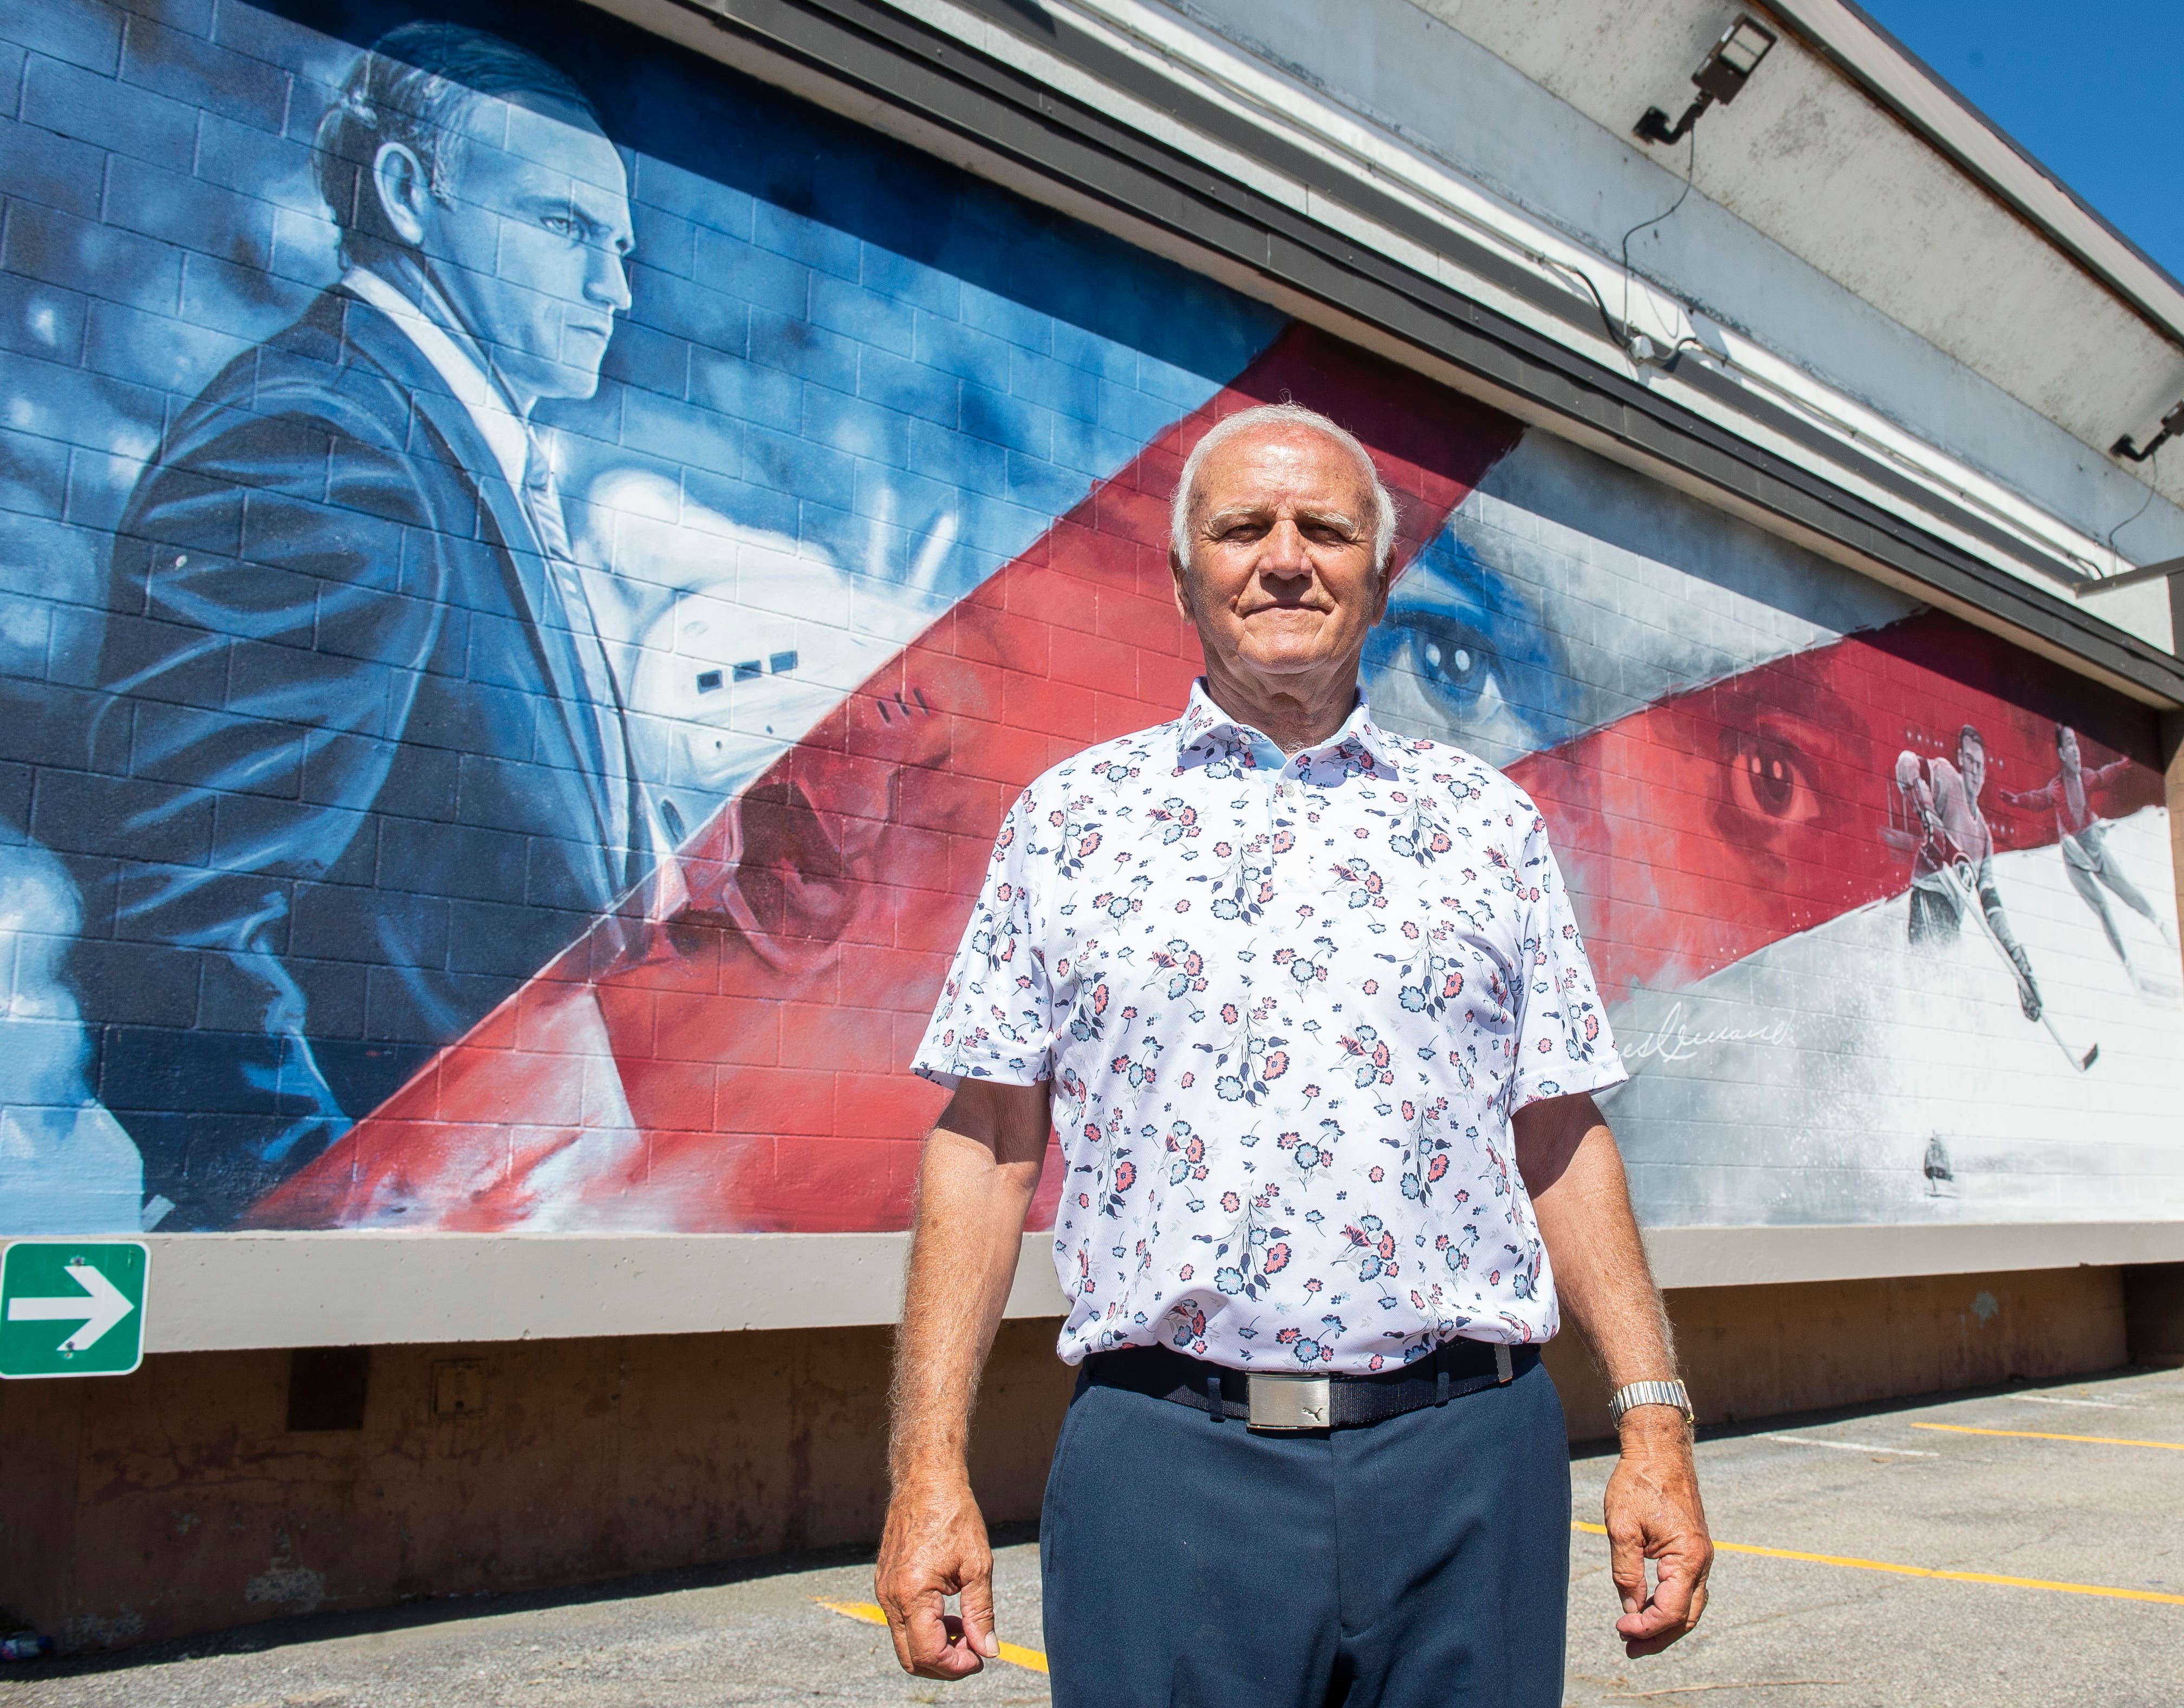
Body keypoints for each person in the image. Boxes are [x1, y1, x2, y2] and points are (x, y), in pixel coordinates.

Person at [876, 403, 1711, 1705]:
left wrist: (1653, 1416)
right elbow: (986, 1145)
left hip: (1468, 1466)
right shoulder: (1071, 823)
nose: (1284, 558)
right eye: (1242, 527)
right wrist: (927, 1466)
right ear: (1182, 577)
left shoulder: (1487, 826)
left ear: (1378, 578)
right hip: (1164, 1471)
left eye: (1324, 529)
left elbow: (1557, 1129)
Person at [63, 23, 673, 1229]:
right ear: (406, 192)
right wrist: (324, 1222)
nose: (614, 288)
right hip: (397, 1255)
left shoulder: (432, 442)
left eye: (618, 247)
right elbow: (181, 916)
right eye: (563, 226)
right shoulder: (327, 442)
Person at [2001, 724, 2176, 978]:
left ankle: (2162, 926)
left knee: (2126, 891)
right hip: (2075, 857)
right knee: (2102, 908)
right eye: (2069, 744)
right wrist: (2019, 800)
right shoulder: (2056, 788)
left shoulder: (2086, 778)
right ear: (2062, 753)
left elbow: (2104, 776)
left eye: (2076, 743)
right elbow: (2040, 799)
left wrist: (2121, 766)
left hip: (2093, 844)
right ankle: (2129, 967)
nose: (2076, 750)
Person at [1894, 726, 2040, 1019]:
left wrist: (2018, 963)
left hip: (1952, 919)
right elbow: (1905, 763)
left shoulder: (1984, 836)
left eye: (1980, 766)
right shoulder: (1947, 778)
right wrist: (1930, 818)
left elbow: (1992, 906)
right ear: (1961, 759)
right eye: (1970, 761)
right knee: (1941, 992)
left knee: (1957, 1000)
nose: (1974, 770)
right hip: (1931, 897)